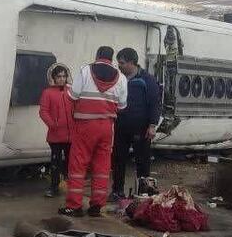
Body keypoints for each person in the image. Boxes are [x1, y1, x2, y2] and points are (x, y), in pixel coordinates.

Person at [60, 46, 127, 217]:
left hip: (85, 125)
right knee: (102, 165)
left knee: (78, 164)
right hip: (107, 127)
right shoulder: (121, 78)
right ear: (111, 59)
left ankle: (74, 206)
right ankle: (97, 205)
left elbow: (72, 96)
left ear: (97, 56)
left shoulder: (85, 71)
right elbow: (122, 106)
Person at [111, 47, 163, 200]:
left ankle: (143, 192)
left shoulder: (147, 79)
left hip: (141, 128)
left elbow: (155, 103)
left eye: (122, 63)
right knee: (118, 159)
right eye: (118, 63)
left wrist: (152, 125)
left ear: (132, 63)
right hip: (121, 126)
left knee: (142, 161)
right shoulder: (118, 79)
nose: (119, 66)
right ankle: (117, 191)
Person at [39, 62, 72, 198]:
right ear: (53, 77)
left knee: (71, 163)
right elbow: (43, 111)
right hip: (56, 135)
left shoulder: (71, 91)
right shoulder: (47, 93)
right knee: (55, 163)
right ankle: (54, 187)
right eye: (59, 76)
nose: (62, 79)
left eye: (64, 76)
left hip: (71, 135)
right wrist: (53, 124)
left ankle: (72, 186)